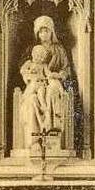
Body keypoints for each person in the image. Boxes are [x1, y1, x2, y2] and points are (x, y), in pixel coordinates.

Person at [19, 16, 71, 148]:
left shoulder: (59, 49)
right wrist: (27, 76)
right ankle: (35, 141)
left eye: (46, 31)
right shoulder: (32, 49)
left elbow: (66, 70)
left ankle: (52, 134)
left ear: (52, 31)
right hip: (36, 83)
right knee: (31, 100)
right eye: (41, 31)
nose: (44, 34)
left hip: (53, 81)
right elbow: (25, 68)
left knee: (52, 89)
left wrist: (58, 75)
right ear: (37, 33)